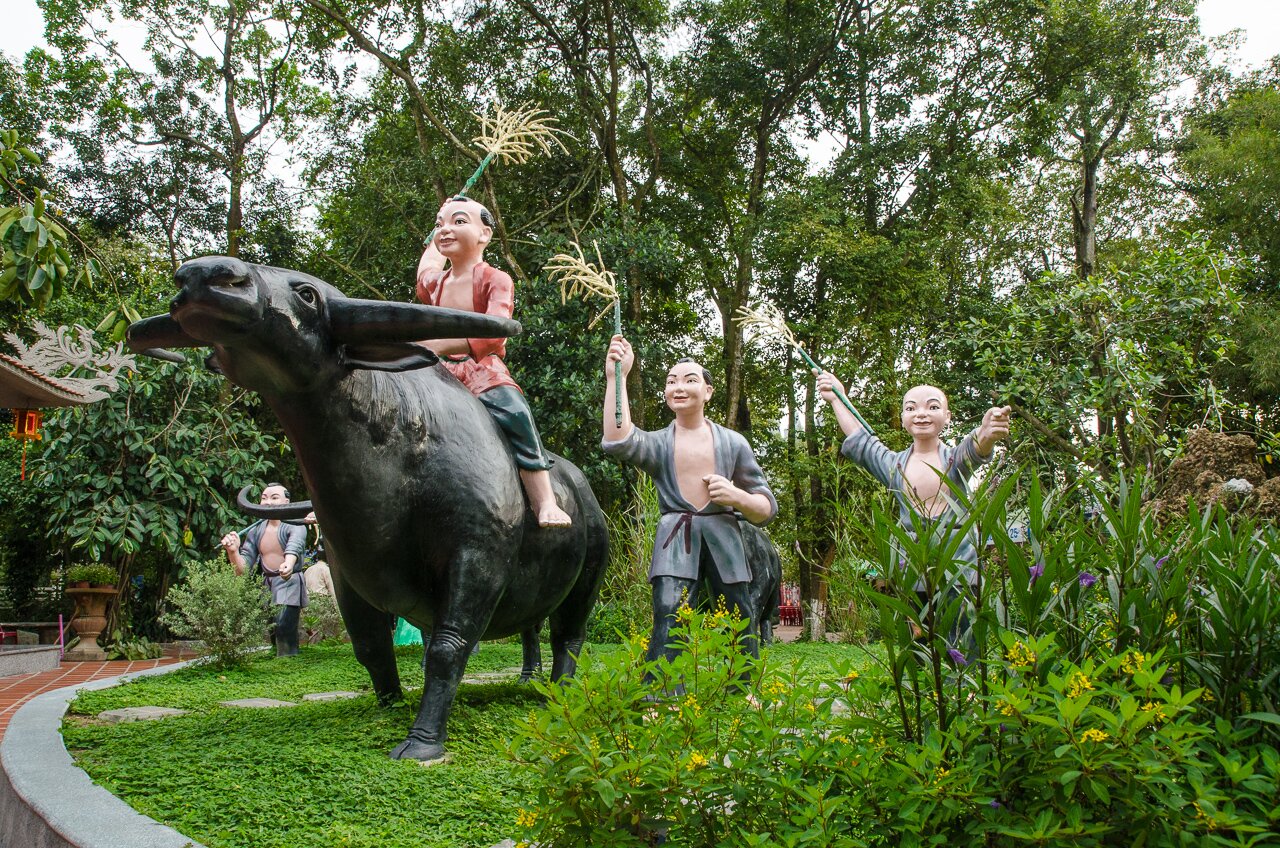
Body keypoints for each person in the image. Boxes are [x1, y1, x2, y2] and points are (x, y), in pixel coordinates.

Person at [602, 334, 778, 668]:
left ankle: (742, 686)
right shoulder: (659, 443)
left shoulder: (734, 443)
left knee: (739, 610)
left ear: (708, 391)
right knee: (669, 608)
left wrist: (736, 496)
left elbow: (766, 508)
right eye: (671, 381)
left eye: (689, 380)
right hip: (675, 537)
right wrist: (617, 378)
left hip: (725, 536)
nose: (678, 387)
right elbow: (618, 440)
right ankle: (664, 690)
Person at [814, 372, 1010, 644]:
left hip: (959, 570)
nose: (921, 414)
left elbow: (973, 449)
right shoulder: (894, 466)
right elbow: (863, 441)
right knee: (919, 649)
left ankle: (968, 687)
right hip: (912, 572)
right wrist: (838, 398)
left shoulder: (954, 461)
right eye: (911, 408)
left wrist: (986, 433)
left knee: (963, 644)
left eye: (932, 407)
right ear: (904, 418)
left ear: (948, 416)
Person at [416, 196, 571, 528]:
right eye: (439, 223)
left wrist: (438, 343)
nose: (445, 229)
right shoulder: (436, 282)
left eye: (458, 221)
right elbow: (426, 266)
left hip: (481, 370)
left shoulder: (495, 279)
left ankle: (545, 501)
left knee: (516, 413)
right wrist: (435, 230)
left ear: (484, 234)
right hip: (436, 370)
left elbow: (495, 332)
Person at [220, 483, 309, 657]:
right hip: (267, 583)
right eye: (264, 498)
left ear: (287, 501)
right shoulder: (256, 530)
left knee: (284, 622)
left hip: (288, 581)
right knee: (272, 626)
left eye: (274, 498)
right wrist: (233, 552)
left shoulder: (296, 525)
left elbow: (295, 546)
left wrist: (288, 564)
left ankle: (287, 656)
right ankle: (277, 654)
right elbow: (243, 570)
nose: (267, 502)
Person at [300, 511, 334, 598]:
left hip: (309, 604)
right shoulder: (326, 570)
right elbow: (333, 592)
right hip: (323, 603)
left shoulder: (308, 570)